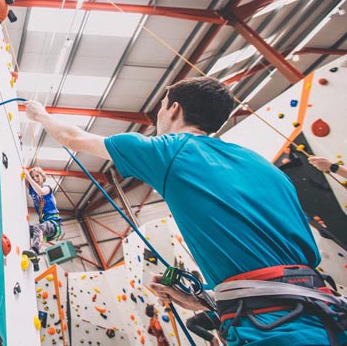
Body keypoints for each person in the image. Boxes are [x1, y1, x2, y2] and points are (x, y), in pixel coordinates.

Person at [25, 76, 347, 346]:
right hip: (325, 316)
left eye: (161, 107)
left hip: (275, 329)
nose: (159, 116)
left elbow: (73, 137)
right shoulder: (264, 166)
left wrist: (40, 115)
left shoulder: (170, 151)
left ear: (174, 108)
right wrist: (203, 300)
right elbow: (271, 265)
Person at [23, 167, 63, 257]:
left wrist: (29, 177)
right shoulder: (33, 190)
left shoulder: (47, 188)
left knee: (38, 227)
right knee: (26, 229)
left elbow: (41, 191)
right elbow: (25, 180)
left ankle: (35, 250)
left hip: (54, 224)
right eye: (33, 177)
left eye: (37, 176)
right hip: (45, 225)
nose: (35, 178)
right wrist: (25, 173)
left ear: (43, 177)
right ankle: (33, 258)